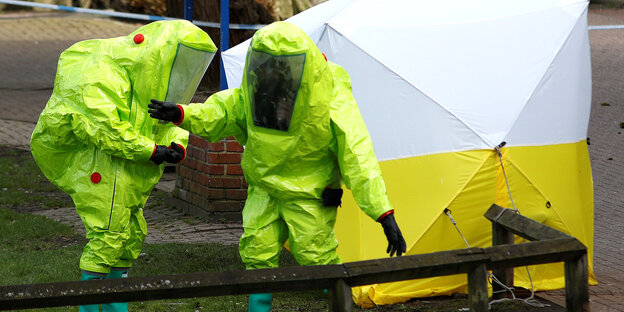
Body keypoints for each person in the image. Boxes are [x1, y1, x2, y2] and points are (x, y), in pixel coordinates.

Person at [148, 21, 406, 312]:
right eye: (268, 65)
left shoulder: (331, 97)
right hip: (265, 190)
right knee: (258, 260)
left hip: (309, 194)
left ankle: (340, 305)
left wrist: (382, 212)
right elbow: (222, 111)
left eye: (280, 66)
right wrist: (182, 113)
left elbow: (357, 155)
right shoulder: (258, 90)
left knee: (318, 259)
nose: (272, 72)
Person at [30, 20, 217, 312]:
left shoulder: (147, 77)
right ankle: (91, 306)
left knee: (129, 235)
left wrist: (177, 144)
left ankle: (116, 305)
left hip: (127, 165)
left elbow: (164, 119)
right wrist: (153, 151)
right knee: (108, 233)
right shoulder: (97, 74)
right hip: (96, 161)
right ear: (159, 52)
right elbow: (105, 130)